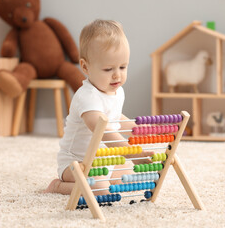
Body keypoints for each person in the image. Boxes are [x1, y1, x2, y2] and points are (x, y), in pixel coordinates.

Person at [44, 19, 154, 195]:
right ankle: (58, 186)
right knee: (101, 190)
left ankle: (107, 175)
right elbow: (102, 130)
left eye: (123, 66)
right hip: (77, 163)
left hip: (104, 160)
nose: (117, 75)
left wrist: (139, 129)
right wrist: (132, 153)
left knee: (129, 176)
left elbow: (115, 118)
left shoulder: (117, 91)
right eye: (108, 69)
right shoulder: (86, 97)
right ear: (85, 67)